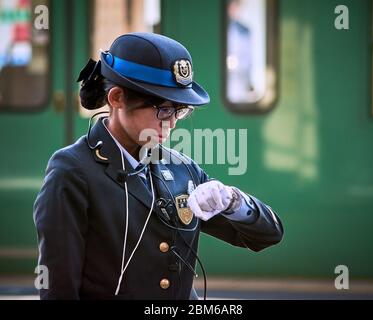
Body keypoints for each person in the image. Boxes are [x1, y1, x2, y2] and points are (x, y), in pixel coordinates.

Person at [33, 32, 283, 300]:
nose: (173, 121)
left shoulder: (181, 169)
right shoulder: (73, 171)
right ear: (117, 98)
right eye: (163, 108)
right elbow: (59, 289)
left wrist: (233, 201)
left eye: (181, 109)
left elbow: (268, 235)